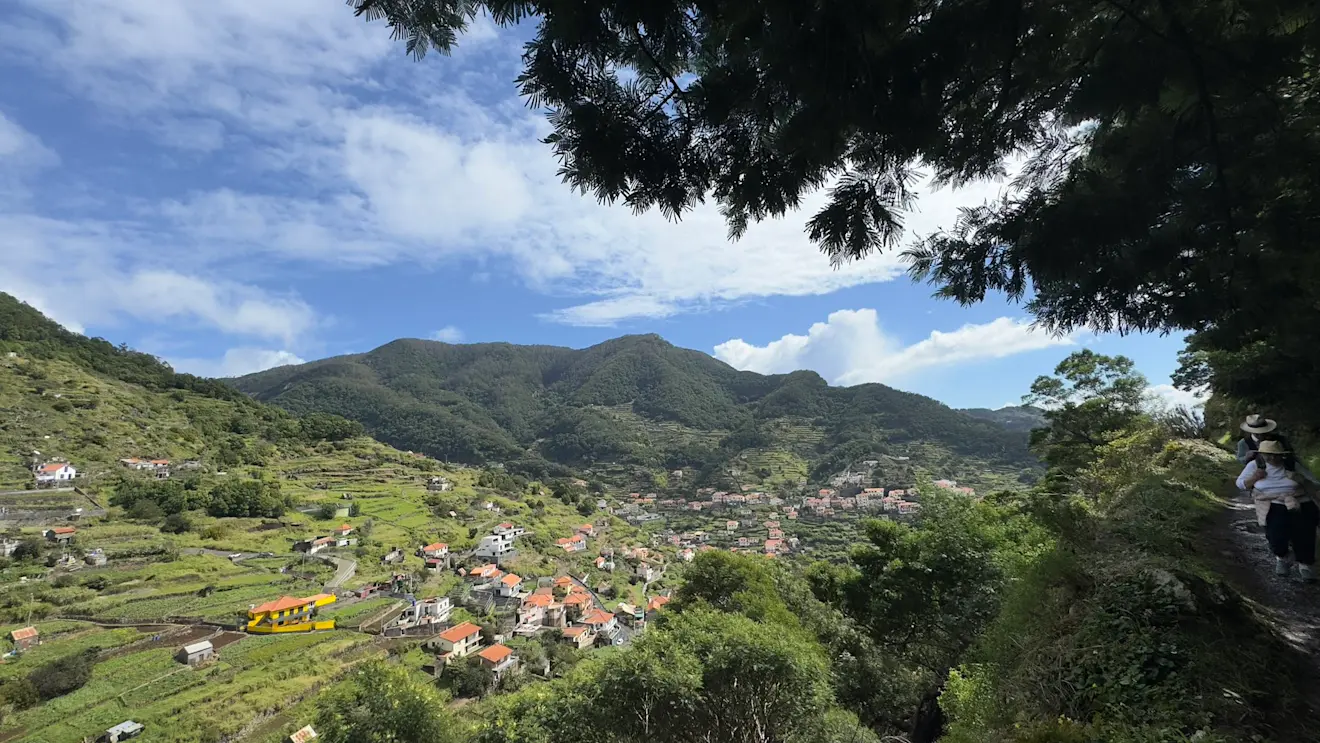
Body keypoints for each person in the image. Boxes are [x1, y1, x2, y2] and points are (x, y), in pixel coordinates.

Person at [1236, 439, 1320, 581]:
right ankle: (1282, 558)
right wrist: (1254, 478)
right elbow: (1240, 484)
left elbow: (1315, 483)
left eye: (1276, 455)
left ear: (1282, 455)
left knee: (1304, 535)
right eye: (1268, 455)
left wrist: (1301, 479)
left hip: (1298, 501)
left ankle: (1305, 566)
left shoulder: (1292, 465)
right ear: (1261, 454)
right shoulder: (1255, 465)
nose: (1273, 458)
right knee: (1276, 537)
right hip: (1272, 503)